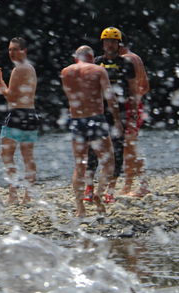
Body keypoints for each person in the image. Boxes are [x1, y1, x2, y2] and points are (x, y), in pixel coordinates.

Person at [61, 46, 123, 217]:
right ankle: (99, 194)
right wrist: (117, 120)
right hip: (96, 119)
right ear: (91, 57)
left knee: (79, 165)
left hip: (77, 121)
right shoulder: (98, 70)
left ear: (76, 58)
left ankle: (80, 208)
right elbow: (110, 96)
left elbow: (70, 98)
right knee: (108, 162)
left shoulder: (66, 72)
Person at [84, 27, 139, 204]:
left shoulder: (126, 64)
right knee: (92, 150)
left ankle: (110, 190)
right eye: (107, 41)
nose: (110, 44)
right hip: (97, 112)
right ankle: (89, 187)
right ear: (103, 43)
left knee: (117, 151)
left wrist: (134, 114)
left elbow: (133, 91)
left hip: (119, 113)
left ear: (118, 44)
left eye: (113, 41)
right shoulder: (96, 62)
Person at [0, 37, 39, 206]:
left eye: (15, 49)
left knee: (6, 155)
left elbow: (11, 96)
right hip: (31, 115)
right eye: (10, 49)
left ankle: (13, 195)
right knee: (28, 156)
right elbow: (16, 94)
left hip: (17, 115)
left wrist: (0, 80)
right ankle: (28, 196)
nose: (12, 52)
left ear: (24, 51)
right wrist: (4, 90)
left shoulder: (18, 69)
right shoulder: (31, 68)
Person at [118, 32, 150, 197]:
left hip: (130, 107)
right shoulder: (136, 58)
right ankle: (128, 185)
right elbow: (145, 86)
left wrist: (131, 103)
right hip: (135, 106)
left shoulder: (127, 60)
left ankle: (144, 186)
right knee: (127, 148)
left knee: (131, 147)